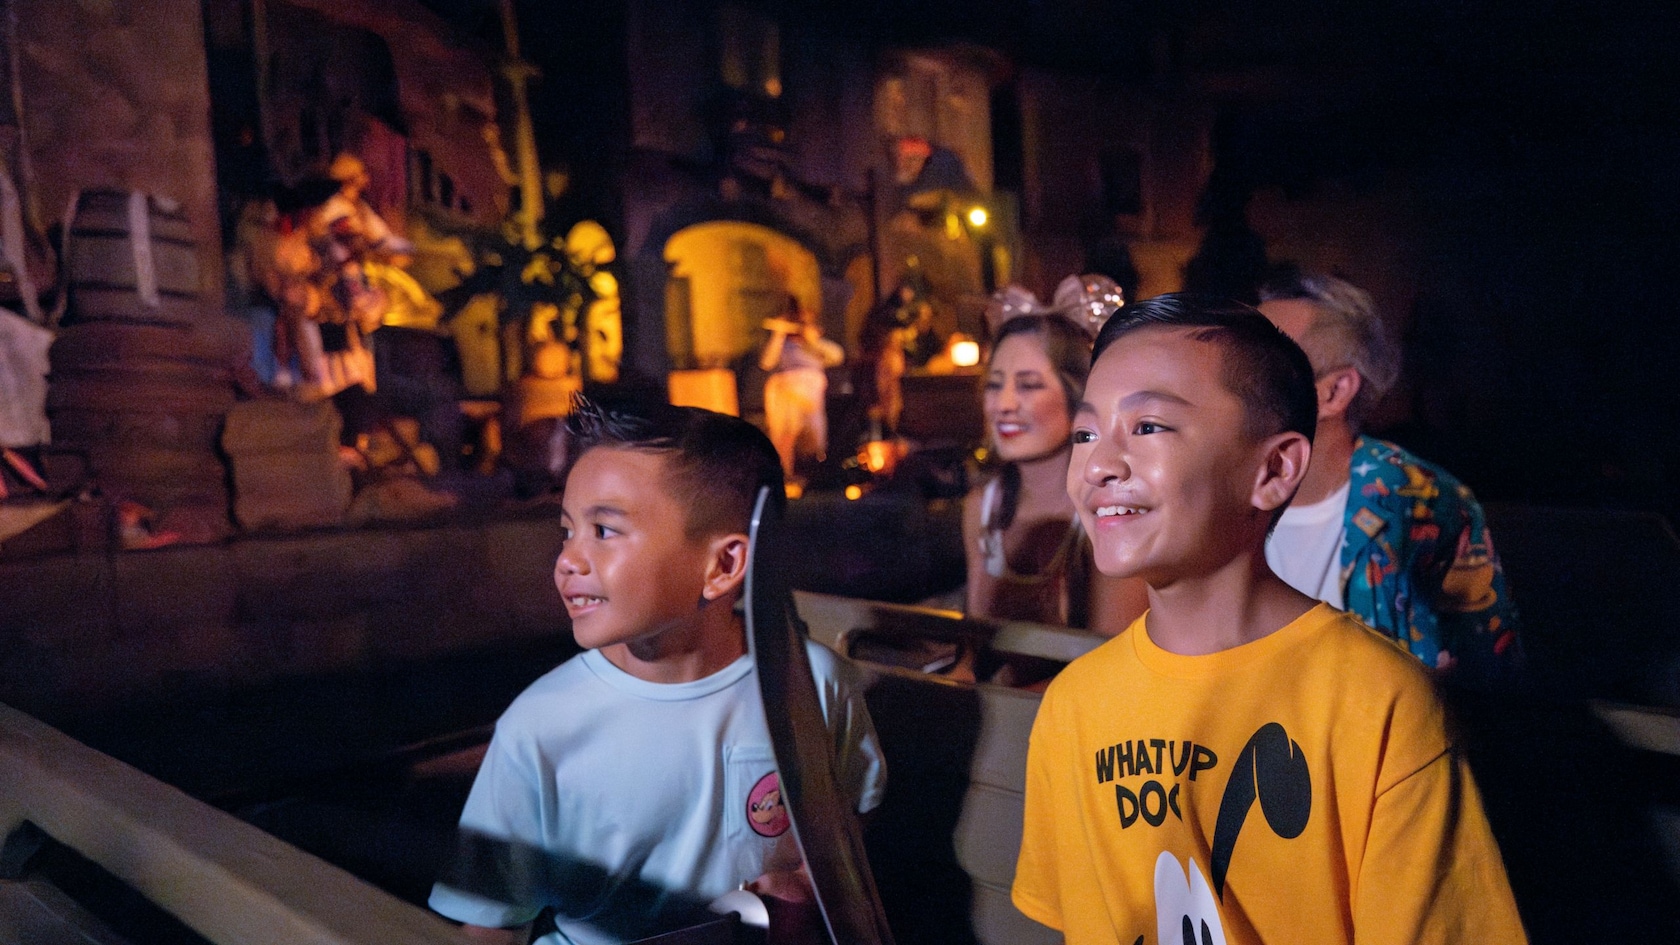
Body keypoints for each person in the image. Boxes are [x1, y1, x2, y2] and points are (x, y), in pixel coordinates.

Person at [1012, 294, 1526, 944]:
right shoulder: (1074, 706)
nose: (1098, 465)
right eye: (1086, 434)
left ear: (1274, 468)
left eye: (1148, 427)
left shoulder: (1377, 701)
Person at [429, 400, 886, 945]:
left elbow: (851, 818)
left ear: (723, 565)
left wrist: (805, 884)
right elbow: (489, 925)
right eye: (568, 530)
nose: (568, 560)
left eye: (604, 531)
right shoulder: (540, 726)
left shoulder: (811, 685)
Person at [1256, 270, 1520, 684]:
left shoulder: (1424, 501)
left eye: (1263, 361)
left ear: (1334, 392)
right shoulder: (1208, 492)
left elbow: (1492, 678)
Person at [963, 285, 1147, 640]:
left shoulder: (1115, 511)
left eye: (1029, 385)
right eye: (994, 385)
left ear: (1079, 396)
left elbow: (1110, 657)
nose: (1003, 404)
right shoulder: (983, 508)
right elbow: (975, 645)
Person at [759, 294, 844, 481]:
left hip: (810, 395)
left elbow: (837, 356)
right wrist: (778, 334)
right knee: (785, 435)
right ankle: (784, 475)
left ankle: (815, 475)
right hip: (786, 393)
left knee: (815, 436)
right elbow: (766, 362)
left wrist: (812, 340)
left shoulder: (817, 347)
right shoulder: (784, 345)